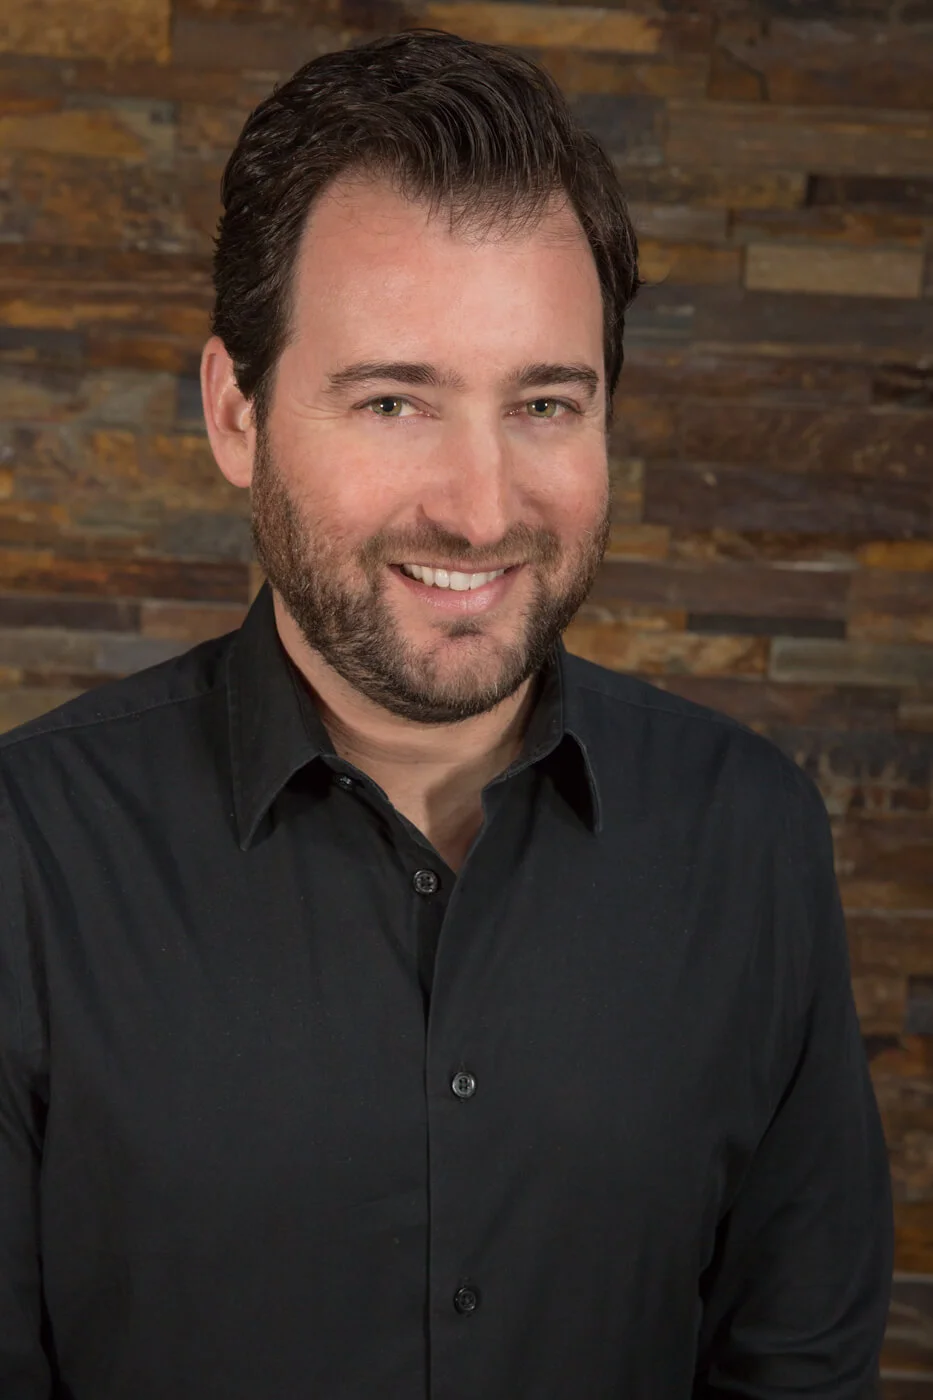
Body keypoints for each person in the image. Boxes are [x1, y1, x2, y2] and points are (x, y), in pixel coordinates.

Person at [0, 27, 892, 1400]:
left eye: (543, 402)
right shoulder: (26, 856)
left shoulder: (748, 835)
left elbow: (799, 1369)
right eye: (394, 402)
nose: (481, 510)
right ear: (237, 413)